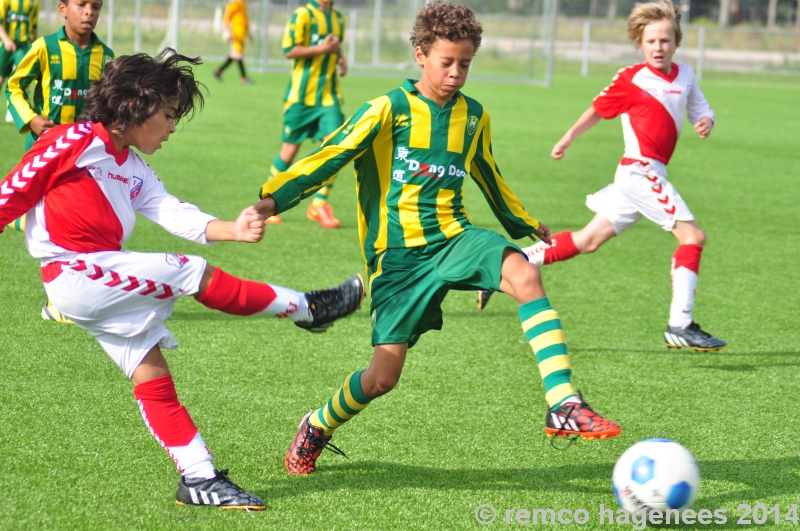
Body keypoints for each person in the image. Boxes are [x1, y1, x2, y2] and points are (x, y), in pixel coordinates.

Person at [255, 1, 621, 476]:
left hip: (454, 237)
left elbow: (488, 173)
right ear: (420, 54)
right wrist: (273, 198)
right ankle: (318, 424)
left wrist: (522, 221)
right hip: (398, 259)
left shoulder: (473, 116)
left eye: (464, 63)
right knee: (383, 378)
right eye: (446, 62)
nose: (455, 73)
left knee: (523, 272)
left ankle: (563, 403)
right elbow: (331, 154)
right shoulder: (388, 109)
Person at [0, 50, 364, 508]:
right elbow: (9, 196)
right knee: (188, 271)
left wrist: (232, 229)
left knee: (151, 374)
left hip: (101, 277)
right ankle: (308, 308)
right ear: (136, 105)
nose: (173, 127)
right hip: (74, 273)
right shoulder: (72, 140)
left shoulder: (131, 166)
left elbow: (170, 210)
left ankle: (198, 478)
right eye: (169, 115)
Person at [476, 0, 725, 352]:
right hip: (639, 171)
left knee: (587, 241)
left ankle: (505, 265)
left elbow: (702, 107)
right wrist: (567, 138)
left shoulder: (685, 75)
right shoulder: (631, 78)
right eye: (651, 41)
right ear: (640, 43)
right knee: (692, 237)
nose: (658, 47)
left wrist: (706, 121)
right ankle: (680, 324)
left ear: (676, 42)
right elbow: (597, 109)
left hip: (646, 175)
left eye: (665, 41)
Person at [5, 0, 113, 323]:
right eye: (82, 5)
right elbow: (14, 87)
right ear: (63, 9)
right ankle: (58, 301)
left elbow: (112, 103)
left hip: (83, 156)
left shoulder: (106, 57)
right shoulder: (44, 48)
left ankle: (68, 297)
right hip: (46, 151)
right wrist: (32, 119)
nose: (89, 12)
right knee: (54, 228)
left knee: (77, 224)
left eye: (96, 6)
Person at [263, 0, 347, 228]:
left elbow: (334, 45)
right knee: (289, 151)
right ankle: (267, 201)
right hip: (300, 98)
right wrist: (323, 50)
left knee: (337, 149)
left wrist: (340, 57)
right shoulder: (303, 15)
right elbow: (289, 50)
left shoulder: (339, 19)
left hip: (329, 98)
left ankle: (318, 205)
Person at [0, 0, 39, 122]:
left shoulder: (34, 3)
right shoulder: (5, 1)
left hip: (23, 45)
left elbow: (34, 27)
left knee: (22, 77)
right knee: (1, 77)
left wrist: (35, 45)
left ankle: (15, 111)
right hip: (5, 45)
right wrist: (6, 40)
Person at [212, 0, 253, 84]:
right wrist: (226, 30)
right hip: (237, 31)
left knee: (237, 54)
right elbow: (228, 14)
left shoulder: (243, 2)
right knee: (237, 53)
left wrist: (248, 29)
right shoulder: (236, 1)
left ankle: (219, 71)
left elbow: (244, 16)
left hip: (242, 31)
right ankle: (243, 77)